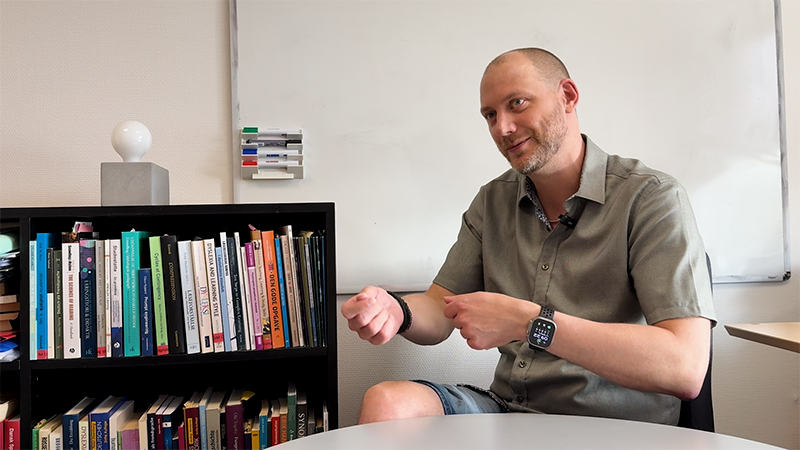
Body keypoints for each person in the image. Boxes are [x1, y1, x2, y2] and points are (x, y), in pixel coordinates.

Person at [341, 47, 716, 426]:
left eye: (517, 103)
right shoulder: (493, 200)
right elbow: (440, 308)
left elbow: (684, 368)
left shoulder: (650, 198)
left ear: (567, 96)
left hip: (612, 425)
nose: (502, 128)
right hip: (511, 410)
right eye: (490, 115)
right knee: (387, 402)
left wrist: (529, 321)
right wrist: (397, 311)